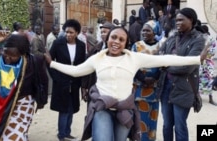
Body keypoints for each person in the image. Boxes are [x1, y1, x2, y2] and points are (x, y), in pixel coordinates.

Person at [44, 26, 208, 141]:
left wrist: (196, 59)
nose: (116, 41)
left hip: (125, 110)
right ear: (108, 39)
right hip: (103, 107)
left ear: (126, 43)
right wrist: (52, 63)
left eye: (121, 40)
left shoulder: (133, 58)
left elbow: (164, 59)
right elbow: (76, 70)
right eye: (113, 37)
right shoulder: (98, 58)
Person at [157, 7, 206, 141]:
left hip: (184, 89)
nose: (177, 23)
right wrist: (165, 63)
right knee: (167, 125)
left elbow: (188, 67)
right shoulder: (171, 38)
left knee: (180, 126)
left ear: (191, 20)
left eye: (181, 20)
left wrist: (166, 65)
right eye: (176, 20)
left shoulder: (198, 40)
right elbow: (159, 57)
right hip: (166, 87)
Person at [48, 19, 86, 141]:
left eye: (71, 32)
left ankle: (67, 132)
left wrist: (81, 80)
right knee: (63, 108)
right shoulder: (58, 43)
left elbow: (82, 64)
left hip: (74, 82)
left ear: (77, 33)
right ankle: (61, 134)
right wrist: (56, 77)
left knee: (72, 108)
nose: (68, 34)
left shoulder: (81, 45)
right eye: (66, 32)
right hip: (61, 82)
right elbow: (49, 61)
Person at [131, 20, 161, 141]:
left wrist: (154, 77)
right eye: (143, 30)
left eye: (148, 30)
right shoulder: (136, 46)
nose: (144, 32)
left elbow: (163, 64)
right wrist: (143, 78)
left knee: (153, 118)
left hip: (155, 88)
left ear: (155, 32)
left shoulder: (161, 46)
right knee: (141, 119)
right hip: (140, 88)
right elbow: (132, 64)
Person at [199, 25, 217, 105]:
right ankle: (198, 98)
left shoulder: (211, 40)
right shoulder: (199, 39)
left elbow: (213, 51)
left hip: (208, 63)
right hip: (200, 62)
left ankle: (210, 98)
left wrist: (204, 54)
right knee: (199, 80)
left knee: (209, 80)